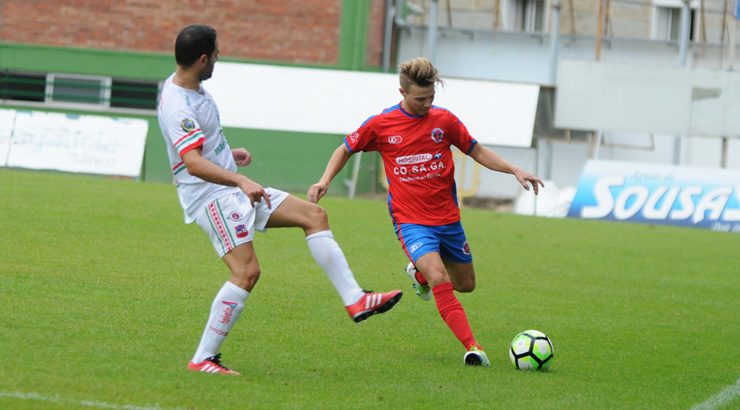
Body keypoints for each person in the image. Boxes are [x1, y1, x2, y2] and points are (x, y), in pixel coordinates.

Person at [157, 24, 402, 376]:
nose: (219, 56)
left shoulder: (194, 88)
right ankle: (203, 359)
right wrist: (239, 178)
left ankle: (356, 300)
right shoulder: (177, 104)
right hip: (212, 198)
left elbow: (201, 149)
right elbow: (192, 164)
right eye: (216, 52)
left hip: (230, 187)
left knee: (314, 215)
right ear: (201, 58)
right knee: (246, 272)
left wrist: (229, 154)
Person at [308, 57, 544, 367]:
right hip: (411, 222)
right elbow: (345, 148)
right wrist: (325, 181)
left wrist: (514, 169)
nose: (426, 104)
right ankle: (473, 347)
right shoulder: (381, 125)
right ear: (402, 91)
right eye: (420, 99)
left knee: (465, 284)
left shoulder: (444, 121)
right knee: (438, 276)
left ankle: (417, 273)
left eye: (431, 98)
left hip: (448, 219)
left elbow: (477, 150)